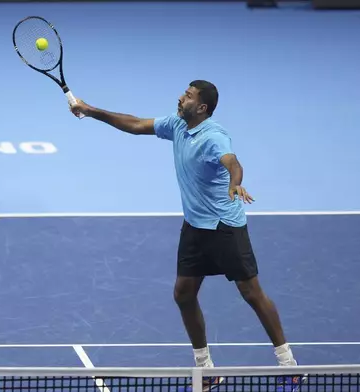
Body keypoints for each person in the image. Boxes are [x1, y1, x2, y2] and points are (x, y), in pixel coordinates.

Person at [69, 80, 305, 391]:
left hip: (224, 227)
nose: (181, 98)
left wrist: (235, 183)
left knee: (251, 293)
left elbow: (232, 162)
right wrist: (90, 111)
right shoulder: (177, 124)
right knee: (183, 294)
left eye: (189, 96)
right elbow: (137, 124)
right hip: (195, 227)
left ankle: (288, 363)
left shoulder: (213, 137)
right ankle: (205, 368)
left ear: (202, 107)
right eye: (184, 92)